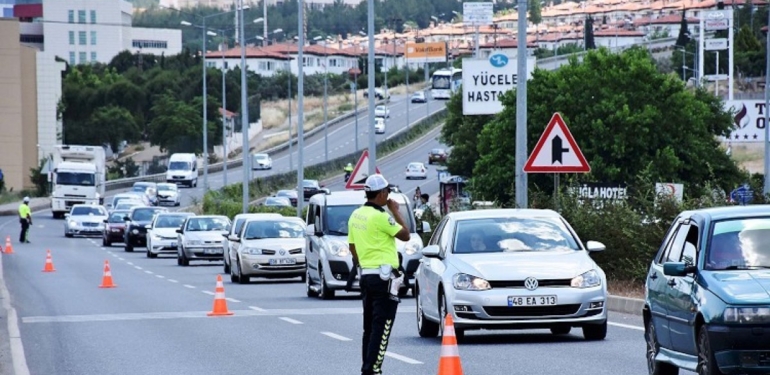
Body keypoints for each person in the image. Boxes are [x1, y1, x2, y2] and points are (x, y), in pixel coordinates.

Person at [348, 174, 411, 375]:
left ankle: (366, 368)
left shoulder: (356, 215)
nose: (389, 195)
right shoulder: (381, 216)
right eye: (388, 192)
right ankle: (373, 370)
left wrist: (363, 264)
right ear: (382, 193)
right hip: (384, 279)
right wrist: (395, 211)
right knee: (382, 327)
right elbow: (405, 234)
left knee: (369, 328)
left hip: (366, 275)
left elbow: (352, 247)